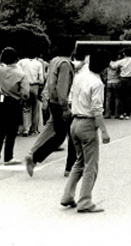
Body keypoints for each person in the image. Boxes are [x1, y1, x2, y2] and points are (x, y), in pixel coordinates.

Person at [60, 50, 111, 213]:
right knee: (91, 165)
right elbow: (97, 110)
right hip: (88, 124)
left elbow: (70, 97)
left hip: (75, 122)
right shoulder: (97, 83)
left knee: (79, 162)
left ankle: (67, 195)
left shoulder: (79, 76)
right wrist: (103, 131)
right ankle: (85, 201)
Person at [25, 41, 75, 177]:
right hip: (61, 103)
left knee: (60, 135)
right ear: (73, 49)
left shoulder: (55, 61)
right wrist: (65, 107)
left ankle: (36, 157)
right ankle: (69, 167)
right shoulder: (65, 64)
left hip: (53, 101)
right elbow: (62, 86)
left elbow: (50, 81)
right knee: (69, 136)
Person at [0, 47, 30, 166]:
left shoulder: (0, 71)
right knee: (11, 132)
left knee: (0, 132)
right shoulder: (21, 74)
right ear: (16, 59)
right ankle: (8, 157)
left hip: (1, 102)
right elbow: (25, 93)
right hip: (14, 103)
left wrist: (1, 56)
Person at [110, 48, 131, 120]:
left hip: (122, 79)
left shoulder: (122, 61)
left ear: (124, 54)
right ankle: (128, 113)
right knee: (130, 97)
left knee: (121, 97)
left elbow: (113, 66)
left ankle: (121, 113)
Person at [18, 53, 45, 136]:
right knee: (35, 108)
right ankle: (34, 129)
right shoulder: (38, 64)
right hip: (34, 86)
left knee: (26, 108)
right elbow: (41, 79)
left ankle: (26, 129)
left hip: (24, 86)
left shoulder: (21, 62)